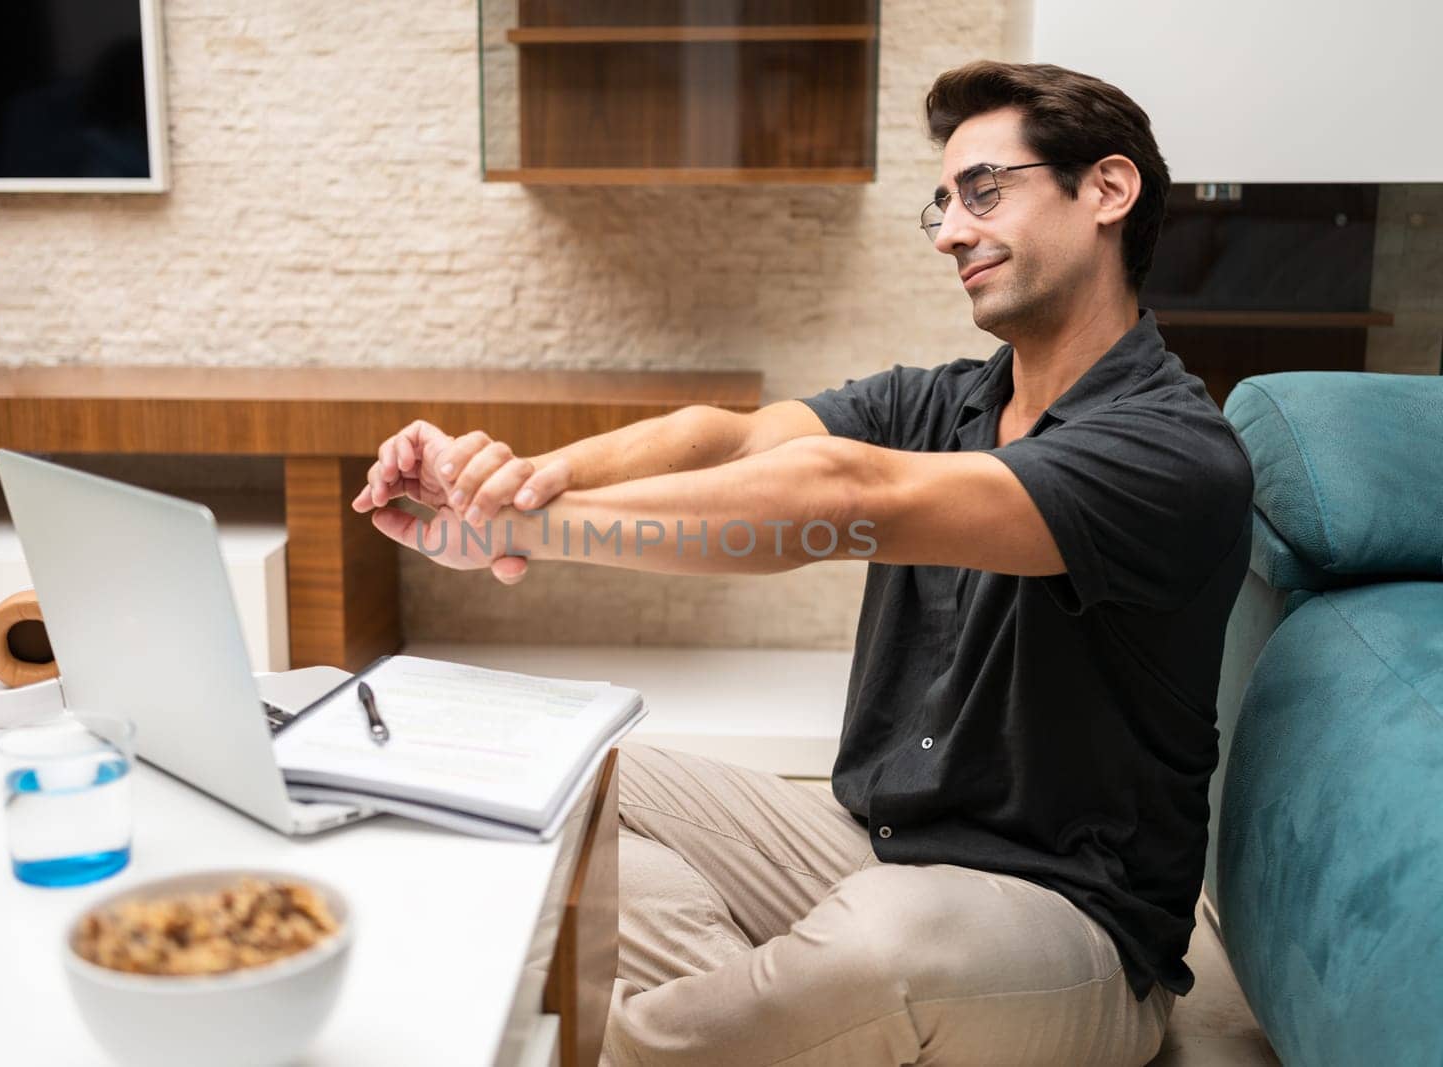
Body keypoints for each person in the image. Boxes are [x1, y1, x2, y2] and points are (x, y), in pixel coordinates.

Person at [350, 60, 1254, 1067]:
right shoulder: (945, 402)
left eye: (985, 190)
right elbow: (729, 440)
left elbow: (836, 496)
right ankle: (771, 1022)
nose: (952, 230)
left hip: (1066, 923)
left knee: (886, 944)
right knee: (562, 782)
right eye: (943, 203)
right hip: (866, 842)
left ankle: (665, 1037)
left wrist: (523, 533)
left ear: (1107, 190)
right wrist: (515, 482)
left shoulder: (1171, 450)